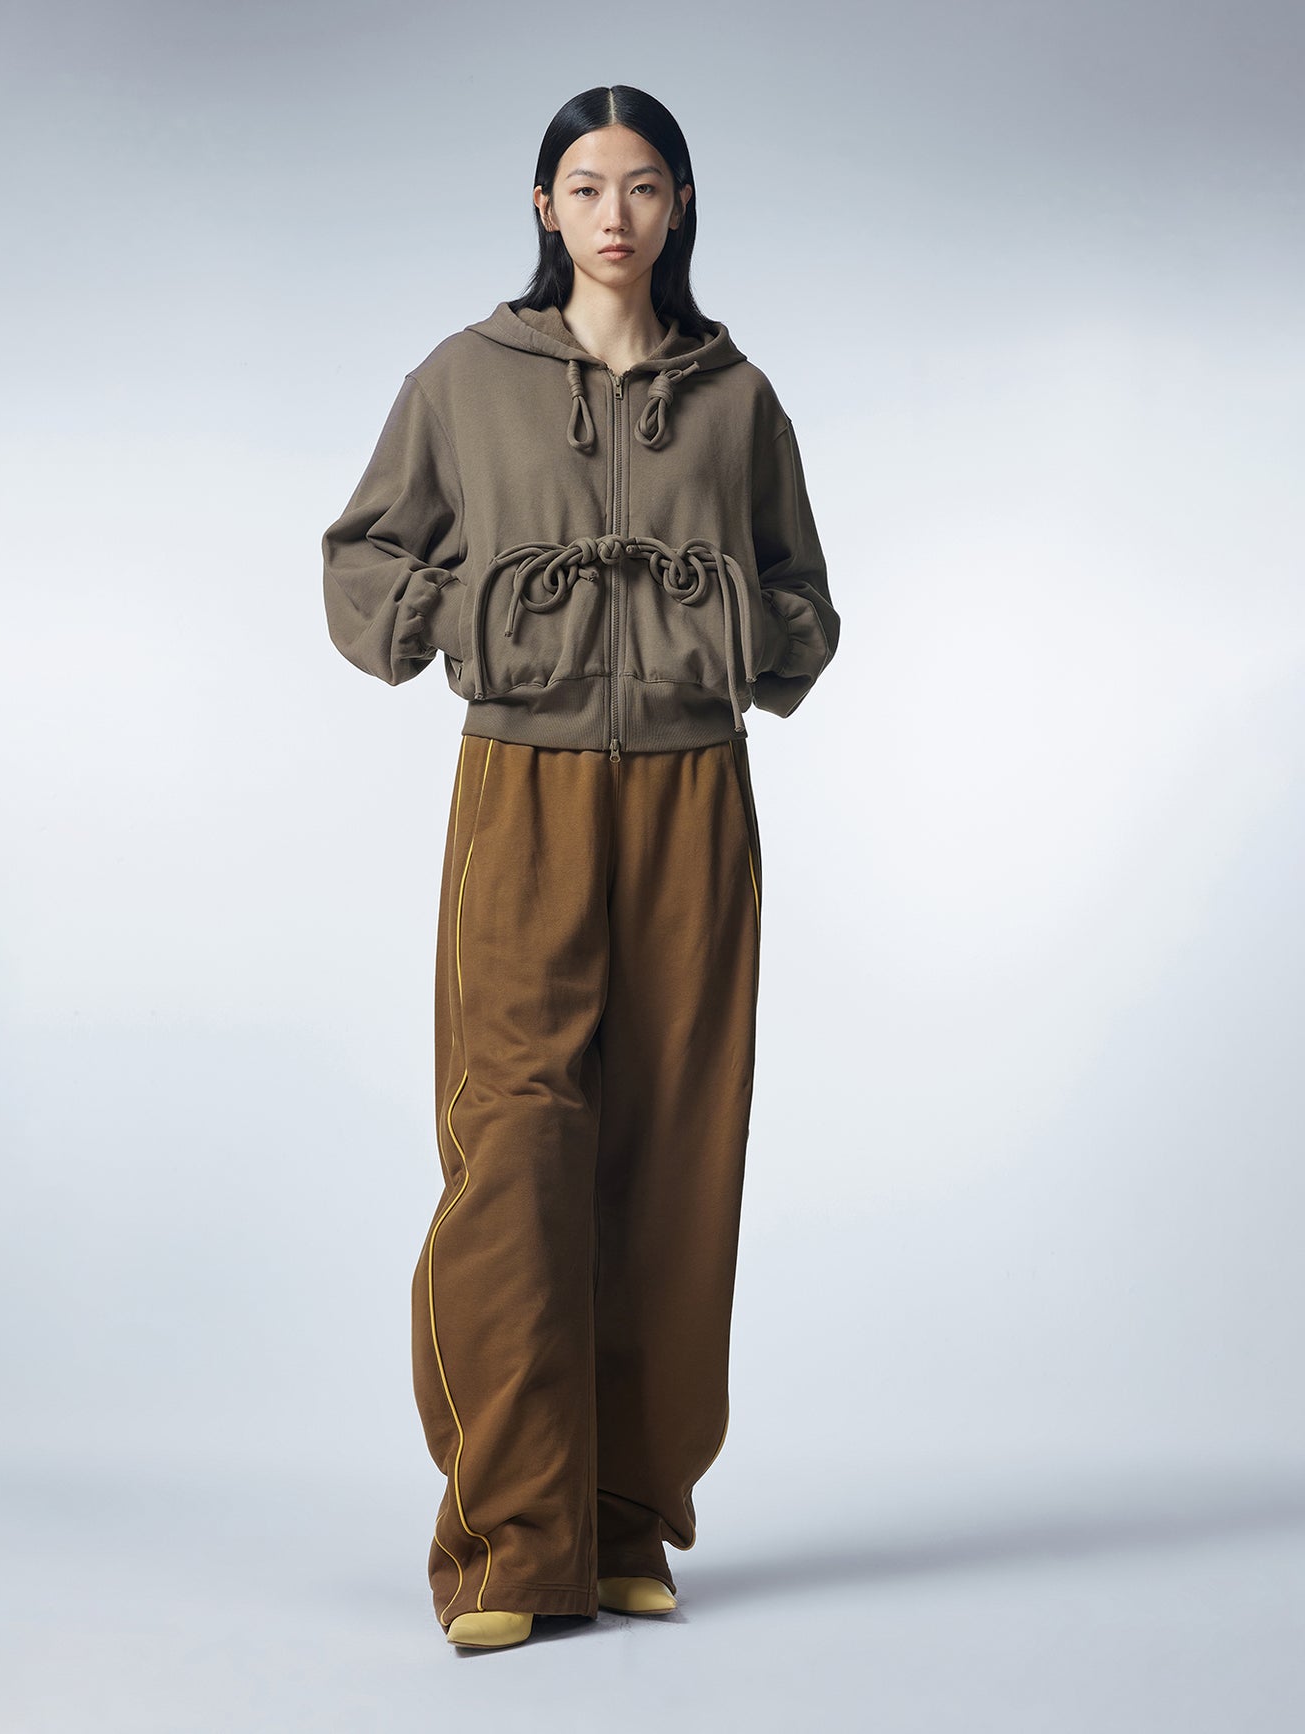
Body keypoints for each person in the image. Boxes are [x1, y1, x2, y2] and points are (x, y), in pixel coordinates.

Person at [320, 84, 840, 1650]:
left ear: (679, 207)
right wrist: (474, 615)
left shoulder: (736, 398)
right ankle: (507, 1540)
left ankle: (621, 1520)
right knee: (514, 1147)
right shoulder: (463, 378)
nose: (617, 213)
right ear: (543, 205)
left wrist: (718, 624)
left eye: (646, 185)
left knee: (673, 1156)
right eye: (587, 184)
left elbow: (805, 612)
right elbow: (361, 568)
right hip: (521, 789)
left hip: (694, 796)